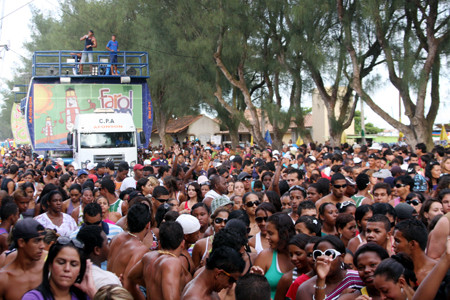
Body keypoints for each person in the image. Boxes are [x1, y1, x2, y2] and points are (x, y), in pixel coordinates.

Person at [21, 236, 97, 299]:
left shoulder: (85, 297)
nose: (67, 269)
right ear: (50, 265)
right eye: (61, 262)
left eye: (73, 264)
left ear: (80, 270)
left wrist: (92, 291)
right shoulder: (34, 297)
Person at [127, 221, 185, 300]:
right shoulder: (172, 262)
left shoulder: (148, 257)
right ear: (182, 243)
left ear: (159, 243)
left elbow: (131, 276)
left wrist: (151, 284)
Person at [296, 235, 364, 300]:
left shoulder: (357, 279)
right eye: (318, 254)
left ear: (342, 257)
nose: (324, 259)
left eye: (329, 254)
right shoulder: (306, 289)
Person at [0, 219, 46, 300]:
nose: (42, 246)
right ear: (21, 242)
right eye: (37, 241)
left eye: (42, 240)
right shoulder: (4, 279)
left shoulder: (47, 271)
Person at [254, 212, 296, 299]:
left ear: (284, 233)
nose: (267, 237)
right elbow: (253, 290)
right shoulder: (265, 256)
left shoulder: (301, 256)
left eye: (271, 233)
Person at [181, 246, 245, 300]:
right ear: (218, 273)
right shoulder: (195, 297)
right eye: (231, 280)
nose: (230, 286)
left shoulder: (210, 290)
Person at [76, 225, 122, 290]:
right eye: (106, 244)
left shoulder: (72, 275)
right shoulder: (108, 280)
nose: (109, 247)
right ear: (97, 250)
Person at [392, 219, 436, 284]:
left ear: (412, 244)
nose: (393, 245)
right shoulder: (394, 270)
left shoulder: (439, 272)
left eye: (397, 241)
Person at [275, 234, 312, 300]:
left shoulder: (321, 275)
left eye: (298, 254)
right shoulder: (287, 279)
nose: (293, 258)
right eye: (291, 255)